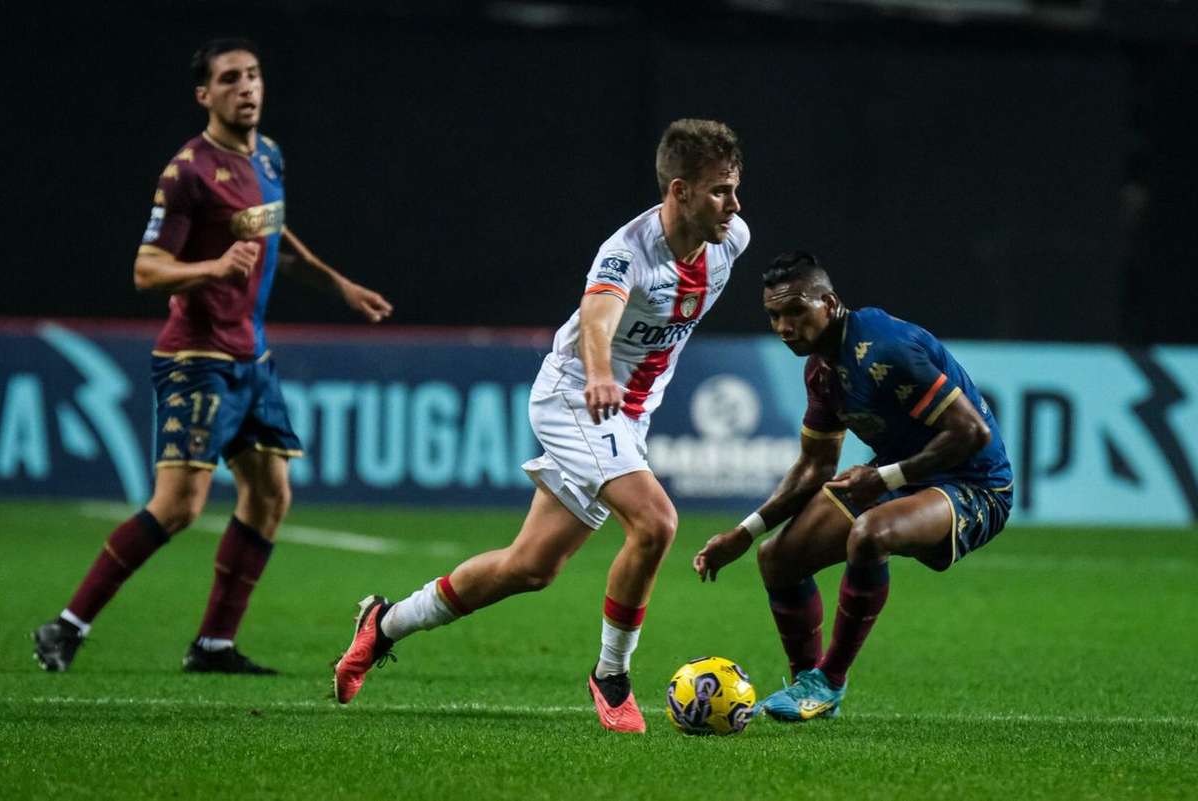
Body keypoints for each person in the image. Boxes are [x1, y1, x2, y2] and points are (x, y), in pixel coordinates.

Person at [333, 119, 749, 733]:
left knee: (528, 568)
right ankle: (611, 675)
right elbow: (597, 315)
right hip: (578, 400)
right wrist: (601, 373)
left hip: (628, 417)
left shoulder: (732, 239)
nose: (734, 205)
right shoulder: (627, 252)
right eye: (720, 191)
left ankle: (384, 622)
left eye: (737, 189)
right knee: (657, 522)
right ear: (680, 190)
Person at [32, 38, 392, 674]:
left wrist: (339, 285)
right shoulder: (188, 172)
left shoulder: (269, 155)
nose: (246, 88)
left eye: (253, 75)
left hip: (251, 361)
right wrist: (214, 266)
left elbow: (274, 234)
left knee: (271, 493)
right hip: (196, 359)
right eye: (230, 79)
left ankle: (214, 645)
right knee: (178, 506)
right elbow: (146, 269)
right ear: (205, 95)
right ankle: (66, 627)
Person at [692, 251, 1012, 721]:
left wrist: (883, 477)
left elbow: (972, 434)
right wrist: (744, 533)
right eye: (774, 315)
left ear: (830, 302)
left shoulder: (887, 347)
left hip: (974, 486)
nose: (784, 326)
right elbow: (813, 467)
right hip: (898, 477)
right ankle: (809, 688)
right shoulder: (821, 372)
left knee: (870, 534)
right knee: (776, 559)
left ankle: (830, 681)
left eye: (796, 310)